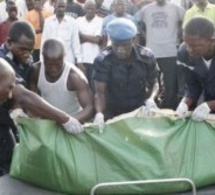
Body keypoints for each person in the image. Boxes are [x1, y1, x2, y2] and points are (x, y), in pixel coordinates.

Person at [0, 21, 85, 175]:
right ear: (9, 42)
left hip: (8, 119)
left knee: (13, 157)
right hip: (2, 121)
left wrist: (18, 107)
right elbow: (23, 94)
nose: (27, 54)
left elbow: (25, 88)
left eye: (30, 50)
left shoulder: (23, 57)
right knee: (7, 164)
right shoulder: (3, 62)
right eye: (23, 49)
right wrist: (64, 118)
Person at [93, 18, 158, 131]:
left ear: (133, 40)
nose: (120, 50)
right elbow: (100, 93)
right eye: (116, 45)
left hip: (139, 112)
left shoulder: (146, 57)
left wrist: (151, 99)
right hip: (113, 113)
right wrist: (99, 114)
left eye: (125, 45)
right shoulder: (103, 60)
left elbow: (155, 83)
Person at [29, 39, 94, 123]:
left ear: (64, 57)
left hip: (73, 120)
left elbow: (90, 107)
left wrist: (70, 121)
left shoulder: (75, 77)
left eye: (58, 64)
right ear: (43, 58)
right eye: (49, 65)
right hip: (49, 121)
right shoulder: (36, 71)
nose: (54, 69)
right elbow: (30, 97)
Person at [135, 0, 185, 110]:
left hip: (170, 51)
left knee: (171, 84)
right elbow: (134, 21)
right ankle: (151, 106)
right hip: (151, 52)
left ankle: (169, 109)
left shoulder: (175, 8)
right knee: (151, 83)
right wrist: (144, 35)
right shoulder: (146, 9)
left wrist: (180, 33)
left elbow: (186, 19)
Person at [176, 17, 215, 121]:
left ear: (211, 41)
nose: (189, 49)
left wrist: (210, 105)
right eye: (186, 43)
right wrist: (185, 103)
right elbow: (193, 85)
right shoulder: (183, 53)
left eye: (195, 45)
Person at [41, 0, 84, 72]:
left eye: (63, 7)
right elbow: (44, 41)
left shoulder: (72, 22)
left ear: (66, 7)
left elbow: (75, 42)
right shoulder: (48, 22)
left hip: (68, 60)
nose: (61, 9)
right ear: (55, 6)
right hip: (52, 59)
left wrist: (79, 60)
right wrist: (42, 59)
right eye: (59, 6)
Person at [76, 0, 103, 91]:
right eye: (88, 8)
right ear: (84, 8)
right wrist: (91, 38)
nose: (90, 10)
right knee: (82, 88)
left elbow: (97, 40)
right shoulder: (78, 21)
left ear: (96, 9)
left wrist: (82, 36)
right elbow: (76, 40)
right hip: (81, 60)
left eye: (92, 8)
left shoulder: (100, 21)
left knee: (94, 88)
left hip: (94, 60)